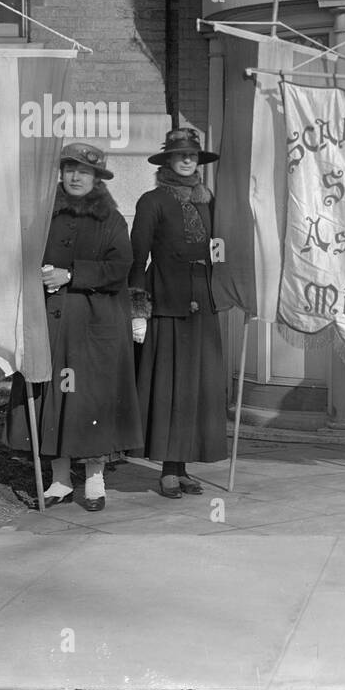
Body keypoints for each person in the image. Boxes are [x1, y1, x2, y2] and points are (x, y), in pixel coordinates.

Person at [5, 143, 144, 511]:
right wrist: (34, 271)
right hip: (49, 324)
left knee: (89, 400)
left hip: (95, 328)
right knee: (54, 398)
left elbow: (120, 268)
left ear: (97, 178)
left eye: (84, 171)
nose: (76, 177)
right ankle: (60, 480)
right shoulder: (42, 217)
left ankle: (95, 480)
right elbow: (20, 256)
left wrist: (71, 274)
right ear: (61, 174)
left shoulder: (111, 220)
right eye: (70, 169)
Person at [130, 127, 227, 499]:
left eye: (192, 156)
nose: (187, 161)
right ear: (168, 160)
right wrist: (137, 309)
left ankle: (184, 466)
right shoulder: (151, 201)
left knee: (196, 388)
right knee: (169, 386)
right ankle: (168, 469)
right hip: (166, 301)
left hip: (203, 302)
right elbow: (138, 258)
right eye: (180, 155)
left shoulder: (208, 200)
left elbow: (221, 247)